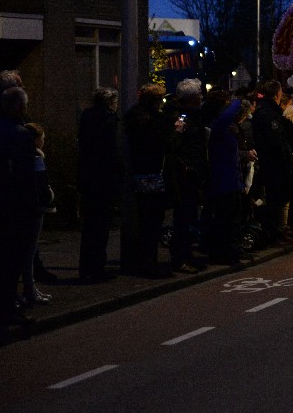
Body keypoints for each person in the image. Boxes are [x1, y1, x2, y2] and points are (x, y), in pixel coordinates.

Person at [0, 86, 35, 332]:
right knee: (12, 260)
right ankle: (7, 309)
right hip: (14, 206)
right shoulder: (21, 135)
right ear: (19, 107)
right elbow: (26, 175)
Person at [122, 83, 173, 277]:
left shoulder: (133, 116)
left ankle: (143, 261)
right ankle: (149, 263)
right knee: (152, 220)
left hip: (139, 172)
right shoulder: (155, 120)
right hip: (152, 172)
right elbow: (163, 144)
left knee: (145, 220)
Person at [77, 87, 124, 283]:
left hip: (88, 178)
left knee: (90, 228)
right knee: (100, 226)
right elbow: (112, 150)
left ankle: (86, 267)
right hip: (103, 179)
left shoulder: (86, 118)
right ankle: (96, 268)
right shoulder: (109, 121)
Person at [164, 78, 209, 274]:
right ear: (191, 98)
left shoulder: (195, 116)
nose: (201, 97)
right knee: (183, 216)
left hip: (193, 173)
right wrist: (186, 167)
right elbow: (175, 145)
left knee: (190, 216)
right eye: (198, 95)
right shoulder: (181, 118)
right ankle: (179, 258)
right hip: (184, 176)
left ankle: (187, 255)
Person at [203, 95, 252, 263]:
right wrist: (238, 99)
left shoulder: (225, 129)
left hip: (231, 180)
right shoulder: (218, 128)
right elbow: (226, 116)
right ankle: (224, 253)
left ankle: (231, 251)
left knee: (232, 218)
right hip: (223, 181)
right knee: (225, 219)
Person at [252, 80, 293, 245]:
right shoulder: (269, 113)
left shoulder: (267, 111)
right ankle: (276, 233)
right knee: (277, 198)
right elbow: (275, 140)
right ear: (277, 94)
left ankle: (280, 230)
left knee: (280, 198)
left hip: (274, 162)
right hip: (275, 164)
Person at [19, 123, 54, 305]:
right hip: (35, 208)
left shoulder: (19, 156)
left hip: (22, 206)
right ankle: (29, 288)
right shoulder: (36, 158)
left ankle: (26, 288)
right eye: (42, 138)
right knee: (29, 249)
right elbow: (42, 184)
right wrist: (48, 199)